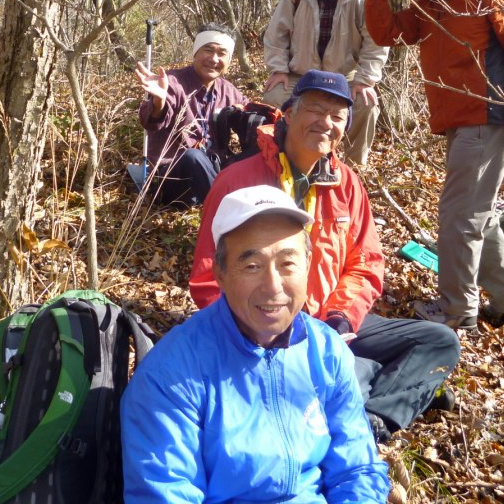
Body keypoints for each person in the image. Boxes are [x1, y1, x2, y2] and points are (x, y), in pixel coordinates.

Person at [190, 70, 461, 441]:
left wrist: (341, 320)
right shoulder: (238, 180)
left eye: (337, 117)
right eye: (316, 109)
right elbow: (208, 278)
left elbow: (365, 264)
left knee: (438, 342)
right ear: (288, 113)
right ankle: (359, 383)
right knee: (329, 372)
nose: (326, 123)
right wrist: (260, 331)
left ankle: (372, 419)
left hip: (330, 317)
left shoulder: (347, 182)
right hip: (263, 324)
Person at [122, 185, 390, 504]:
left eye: (287, 263)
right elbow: (164, 493)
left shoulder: (326, 350)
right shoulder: (171, 376)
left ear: (307, 264)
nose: (273, 286)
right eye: (252, 266)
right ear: (219, 273)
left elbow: (357, 470)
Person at [363, 0, 504, 334]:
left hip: (488, 117)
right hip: (458, 123)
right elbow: (390, 33)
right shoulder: (431, 1)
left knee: (458, 216)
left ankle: (457, 309)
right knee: (481, 216)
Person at [263, 0, 389, 166]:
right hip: (299, 73)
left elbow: (376, 42)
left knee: (366, 104)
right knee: (273, 98)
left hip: (344, 76)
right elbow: (276, 34)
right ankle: (282, 160)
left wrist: (365, 79)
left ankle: (352, 168)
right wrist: (278, 68)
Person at [136, 23, 248, 207]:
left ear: (229, 60)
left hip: (213, 168)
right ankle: (228, 211)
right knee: (192, 157)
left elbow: (249, 113)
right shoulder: (172, 82)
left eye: (221, 53)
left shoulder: (228, 90)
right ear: (195, 52)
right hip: (174, 176)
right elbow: (152, 121)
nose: (213, 59)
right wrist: (159, 102)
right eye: (208, 50)